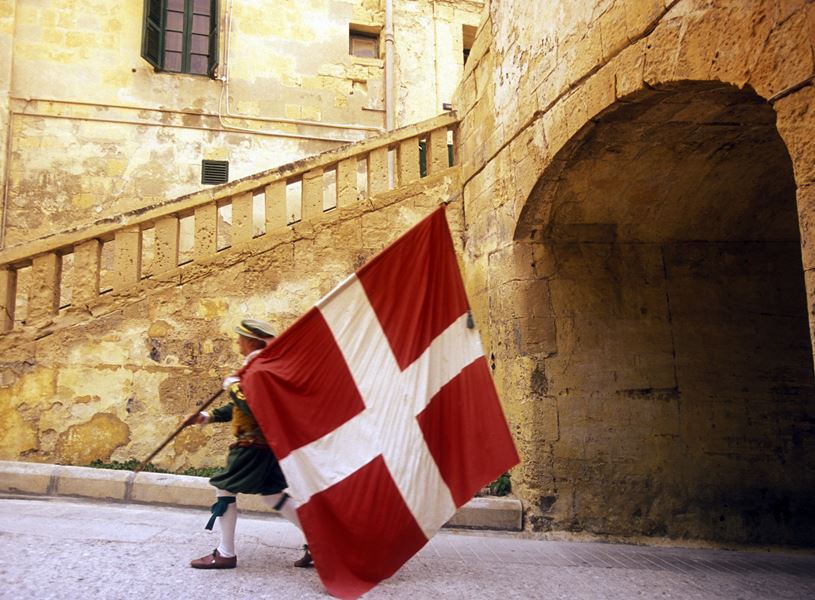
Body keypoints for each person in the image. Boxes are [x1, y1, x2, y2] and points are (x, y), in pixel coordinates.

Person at [189, 318, 313, 570]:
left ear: (251, 340)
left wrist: (234, 387)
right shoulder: (259, 367)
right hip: (266, 446)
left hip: (252, 445)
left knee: (224, 489)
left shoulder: (259, 369)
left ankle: (225, 553)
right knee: (272, 495)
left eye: (240, 339)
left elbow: (252, 405)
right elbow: (239, 408)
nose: (237, 343)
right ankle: (319, 542)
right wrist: (208, 416)